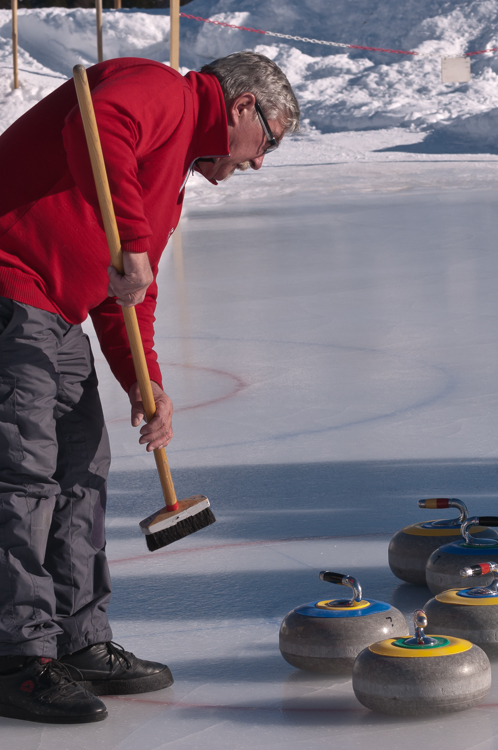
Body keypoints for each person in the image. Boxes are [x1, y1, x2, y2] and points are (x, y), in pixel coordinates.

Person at [0, 51, 300, 724]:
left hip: (55, 310)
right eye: (268, 142)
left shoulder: (168, 179)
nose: (259, 162)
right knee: (22, 472)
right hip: (9, 285)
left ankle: (77, 641)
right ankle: (18, 656)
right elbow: (96, 120)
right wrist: (132, 241)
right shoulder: (166, 91)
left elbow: (128, 290)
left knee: (82, 470)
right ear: (243, 106)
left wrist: (144, 380)